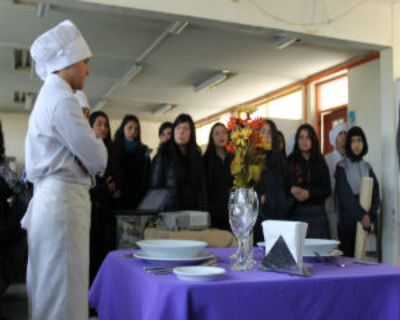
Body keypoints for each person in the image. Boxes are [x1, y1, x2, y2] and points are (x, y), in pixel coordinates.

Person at [22, 20, 107, 320]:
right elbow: (97, 161)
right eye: (85, 62)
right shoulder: (61, 101)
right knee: (64, 297)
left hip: (54, 204)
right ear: (69, 62)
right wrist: (95, 138)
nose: (87, 70)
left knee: (52, 292)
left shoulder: (53, 97)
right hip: (63, 206)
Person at [335, 126, 380, 257]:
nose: (356, 144)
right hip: (347, 223)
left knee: (361, 260)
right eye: (353, 141)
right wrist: (361, 216)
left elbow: (375, 194)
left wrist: (370, 216)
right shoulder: (341, 166)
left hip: (365, 221)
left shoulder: (368, 167)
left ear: (364, 143)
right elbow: (345, 196)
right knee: (348, 262)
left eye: (359, 140)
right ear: (348, 144)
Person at [151, 114, 208, 211]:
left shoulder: (196, 155)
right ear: (173, 131)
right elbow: (156, 187)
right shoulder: (164, 154)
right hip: (171, 210)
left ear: (191, 133)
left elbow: (202, 186)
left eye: (186, 129)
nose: (181, 132)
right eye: (178, 128)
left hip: (194, 210)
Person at [88, 111, 119, 285]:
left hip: (108, 212)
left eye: (106, 124)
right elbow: (87, 183)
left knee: (105, 254)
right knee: (91, 254)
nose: (103, 128)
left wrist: (112, 188)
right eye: (99, 124)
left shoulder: (112, 150)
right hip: (91, 212)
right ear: (90, 127)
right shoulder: (86, 150)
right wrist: (103, 186)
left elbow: (117, 182)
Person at [288, 124, 331, 238]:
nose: (304, 141)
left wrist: (309, 194)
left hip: (317, 213)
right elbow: (283, 186)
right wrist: (291, 189)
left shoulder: (320, 161)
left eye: (308, 137)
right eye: (301, 137)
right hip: (296, 213)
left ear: (313, 140)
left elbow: (327, 189)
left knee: (318, 254)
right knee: (298, 252)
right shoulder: (290, 160)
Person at [254, 120, 293, 242]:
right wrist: (259, 198)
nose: (266, 136)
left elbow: (291, 189)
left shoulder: (282, 161)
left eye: (270, 133)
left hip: (280, 219)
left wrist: (284, 204)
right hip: (257, 220)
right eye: (262, 132)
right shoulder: (251, 160)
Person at [112, 115, 151, 209]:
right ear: (123, 129)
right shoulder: (113, 148)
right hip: (118, 197)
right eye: (130, 128)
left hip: (138, 198)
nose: (133, 131)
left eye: (136, 129)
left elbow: (148, 175)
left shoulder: (143, 151)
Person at [203, 123, 233, 231]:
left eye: (224, 133)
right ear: (212, 138)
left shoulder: (234, 158)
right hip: (214, 213)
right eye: (217, 134)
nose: (221, 136)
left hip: (232, 212)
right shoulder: (205, 160)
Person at [324, 122, 348, 239]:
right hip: (332, 207)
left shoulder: (351, 160)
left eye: (345, 133)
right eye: (340, 134)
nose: (343, 136)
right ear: (335, 137)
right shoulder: (327, 160)